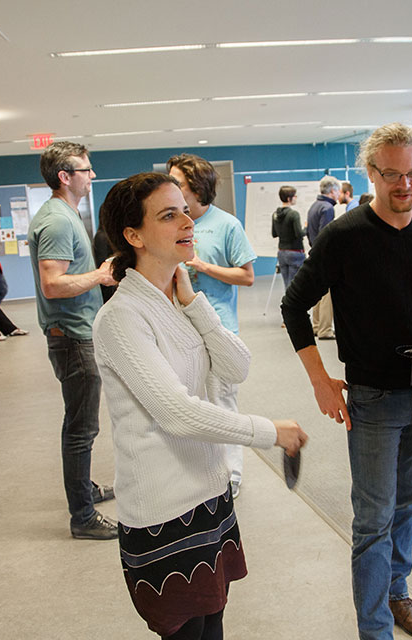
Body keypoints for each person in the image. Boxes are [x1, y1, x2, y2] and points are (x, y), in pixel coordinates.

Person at [93, 172, 307, 639]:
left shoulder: (178, 303)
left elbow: (236, 368)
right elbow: (177, 412)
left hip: (208, 496)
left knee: (214, 627)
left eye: (185, 210)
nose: (186, 222)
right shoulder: (121, 317)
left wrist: (193, 303)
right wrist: (271, 433)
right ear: (134, 236)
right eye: (168, 215)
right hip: (164, 510)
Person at [283, 123, 412, 640]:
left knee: (409, 506)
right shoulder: (345, 236)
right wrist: (319, 379)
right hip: (373, 398)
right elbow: (295, 305)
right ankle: (374, 630)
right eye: (391, 175)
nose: (404, 185)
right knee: (373, 520)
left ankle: (397, 594)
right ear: (372, 174)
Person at [29, 141, 117, 540]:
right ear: (65, 177)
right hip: (74, 339)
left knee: (82, 426)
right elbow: (53, 284)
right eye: (85, 169)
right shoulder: (59, 221)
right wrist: (99, 276)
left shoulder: (65, 214)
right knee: (81, 429)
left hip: (79, 333)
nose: (92, 175)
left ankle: (85, 491)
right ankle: (81, 516)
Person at [167, 153, 257, 498]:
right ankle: (198, 471)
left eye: (179, 184)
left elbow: (246, 276)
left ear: (198, 188)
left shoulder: (226, 225)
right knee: (186, 403)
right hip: (176, 329)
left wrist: (201, 266)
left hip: (218, 330)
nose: (172, 190)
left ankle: (230, 474)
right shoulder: (173, 222)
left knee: (222, 403)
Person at [306, 175, 342, 341]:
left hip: (314, 252)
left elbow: (310, 233)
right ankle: (326, 329)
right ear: (333, 190)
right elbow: (325, 234)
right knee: (328, 294)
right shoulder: (328, 208)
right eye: (338, 191)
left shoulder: (314, 206)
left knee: (318, 293)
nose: (339, 194)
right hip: (325, 255)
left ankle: (316, 325)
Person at [271, 185, 305, 290]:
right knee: (296, 285)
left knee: (287, 285)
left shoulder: (275, 214)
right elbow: (299, 234)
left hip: (281, 252)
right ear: (289, 198)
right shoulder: (294, 214)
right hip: (295, 252)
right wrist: (307, 228)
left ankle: (289, 304)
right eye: (295, 196)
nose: (296, 198)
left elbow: (274, 233)